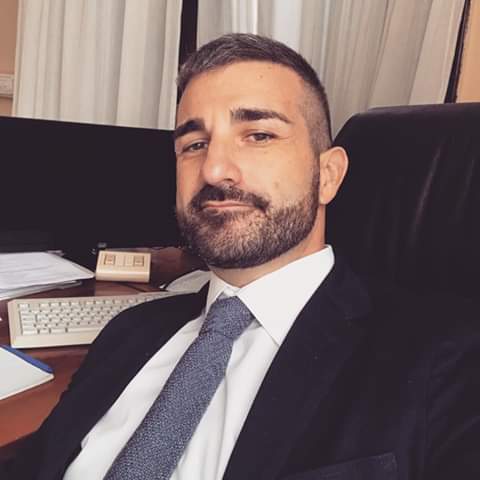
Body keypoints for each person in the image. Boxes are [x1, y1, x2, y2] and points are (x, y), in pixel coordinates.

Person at [3, 33, 480, 480]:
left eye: (259, 135)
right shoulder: (129, 332)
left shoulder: (446, 357)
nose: (213, 169)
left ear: (329, 175)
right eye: (194, 144)